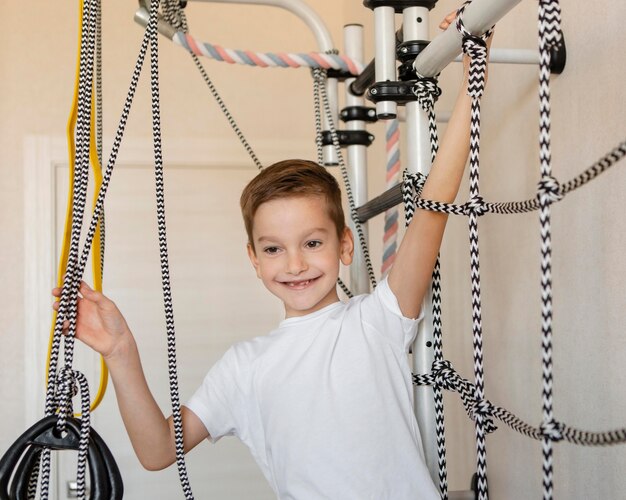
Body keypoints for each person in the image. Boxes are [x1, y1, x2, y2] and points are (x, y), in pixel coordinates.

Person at [53, 12, 490, 499]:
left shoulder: (377, 320)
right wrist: (121, 352)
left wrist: (474, 76)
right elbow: (158, 452)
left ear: (345, 245)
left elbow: (433, 208)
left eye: (313, 242)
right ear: (254, 259)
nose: (295, 264)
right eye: (274, 249)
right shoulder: (244, 367)